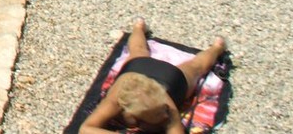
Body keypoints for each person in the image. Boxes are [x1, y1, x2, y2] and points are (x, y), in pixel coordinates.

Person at [79, 18, 227, 134]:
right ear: (132, 116)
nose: (164, 117)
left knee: (196, 67)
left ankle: (217, 48)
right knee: (140, 51)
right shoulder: (115, 101)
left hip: (169, 79)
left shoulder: (166, 107)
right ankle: (138, 27)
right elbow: (85, 130)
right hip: (136, 70)